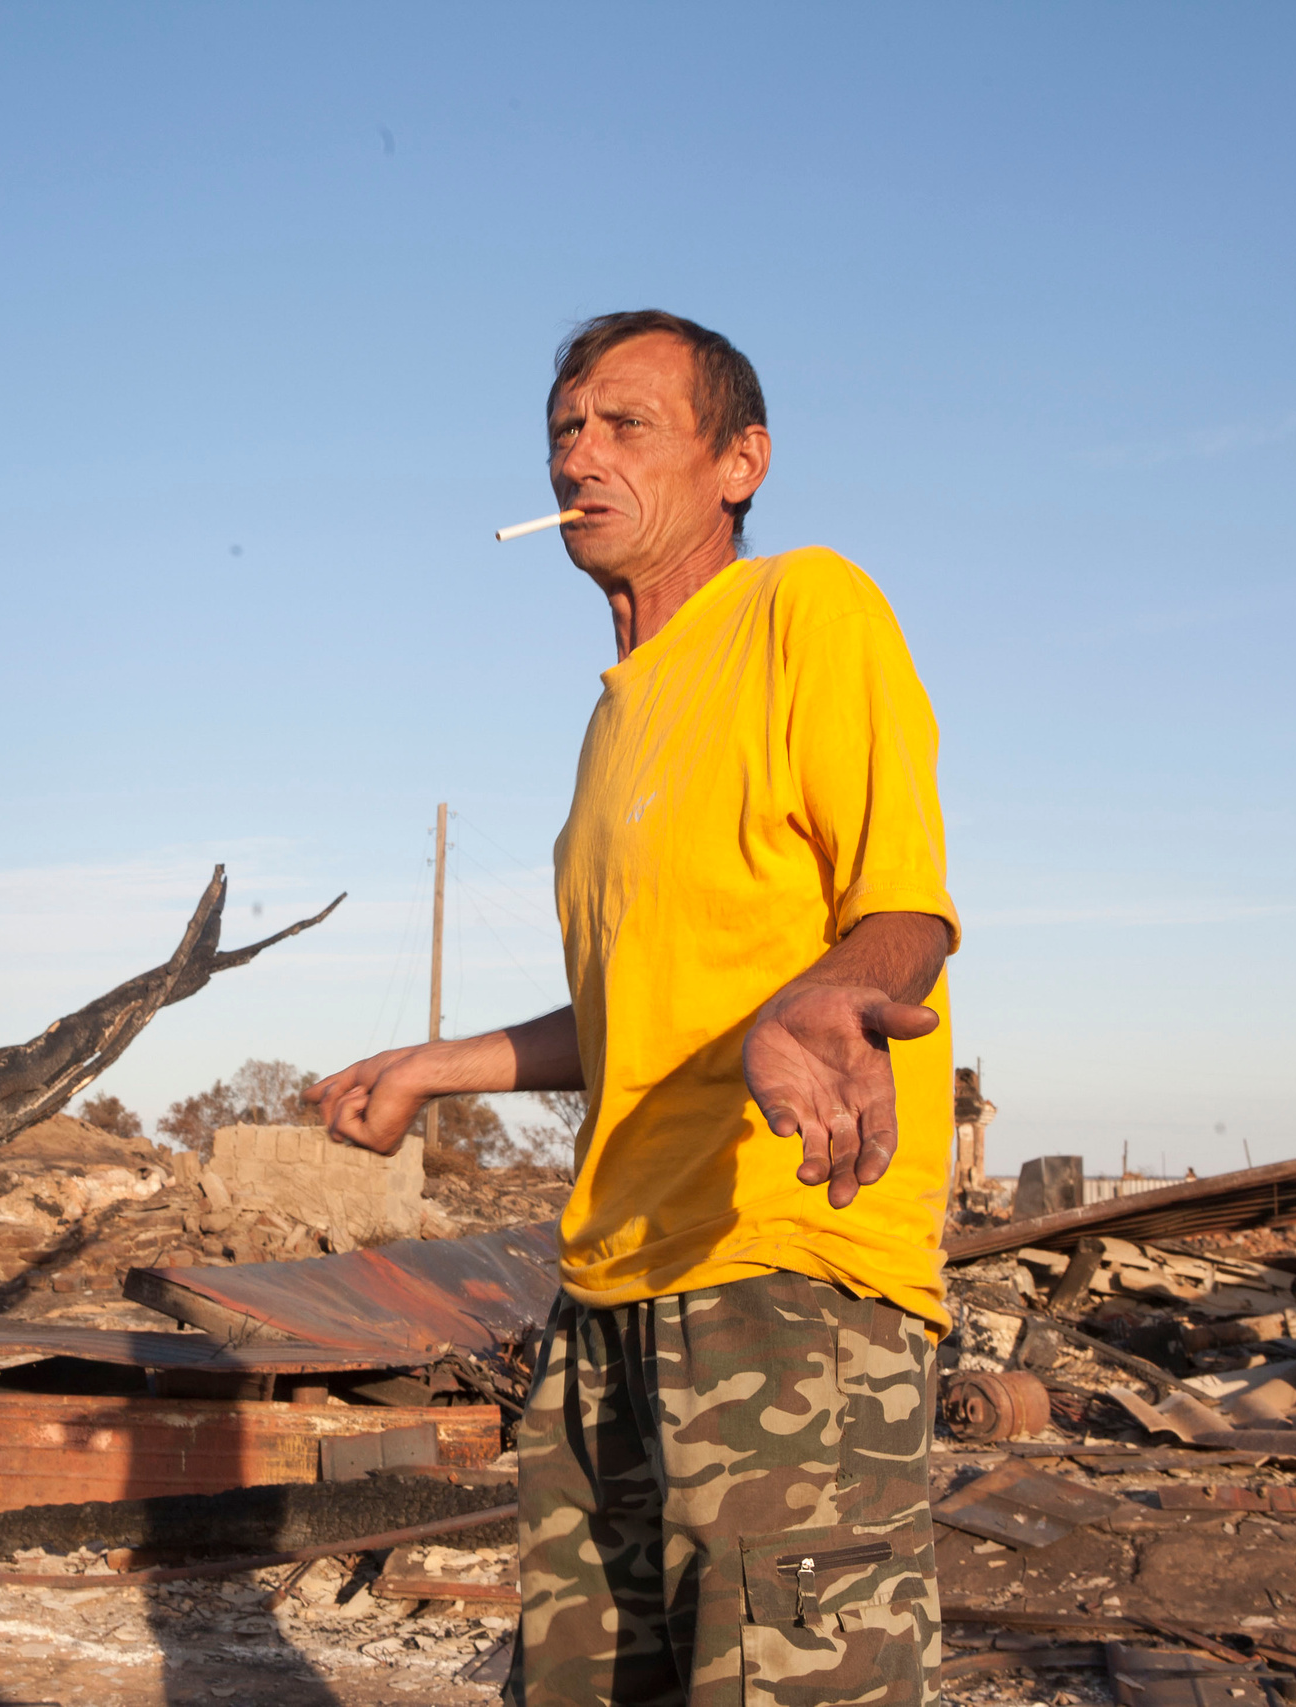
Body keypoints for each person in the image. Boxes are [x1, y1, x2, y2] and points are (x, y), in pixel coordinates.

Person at [308, 309, 958, 1707]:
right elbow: (634, 1015)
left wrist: (830, 1001)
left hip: (774, 1273)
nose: (579, 456)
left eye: (625, 425)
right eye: (563, 430)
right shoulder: (614, 720)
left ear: (742, 463)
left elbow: (904, 913)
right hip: (605, 1288)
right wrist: (439, 1064)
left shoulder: (806, 607)